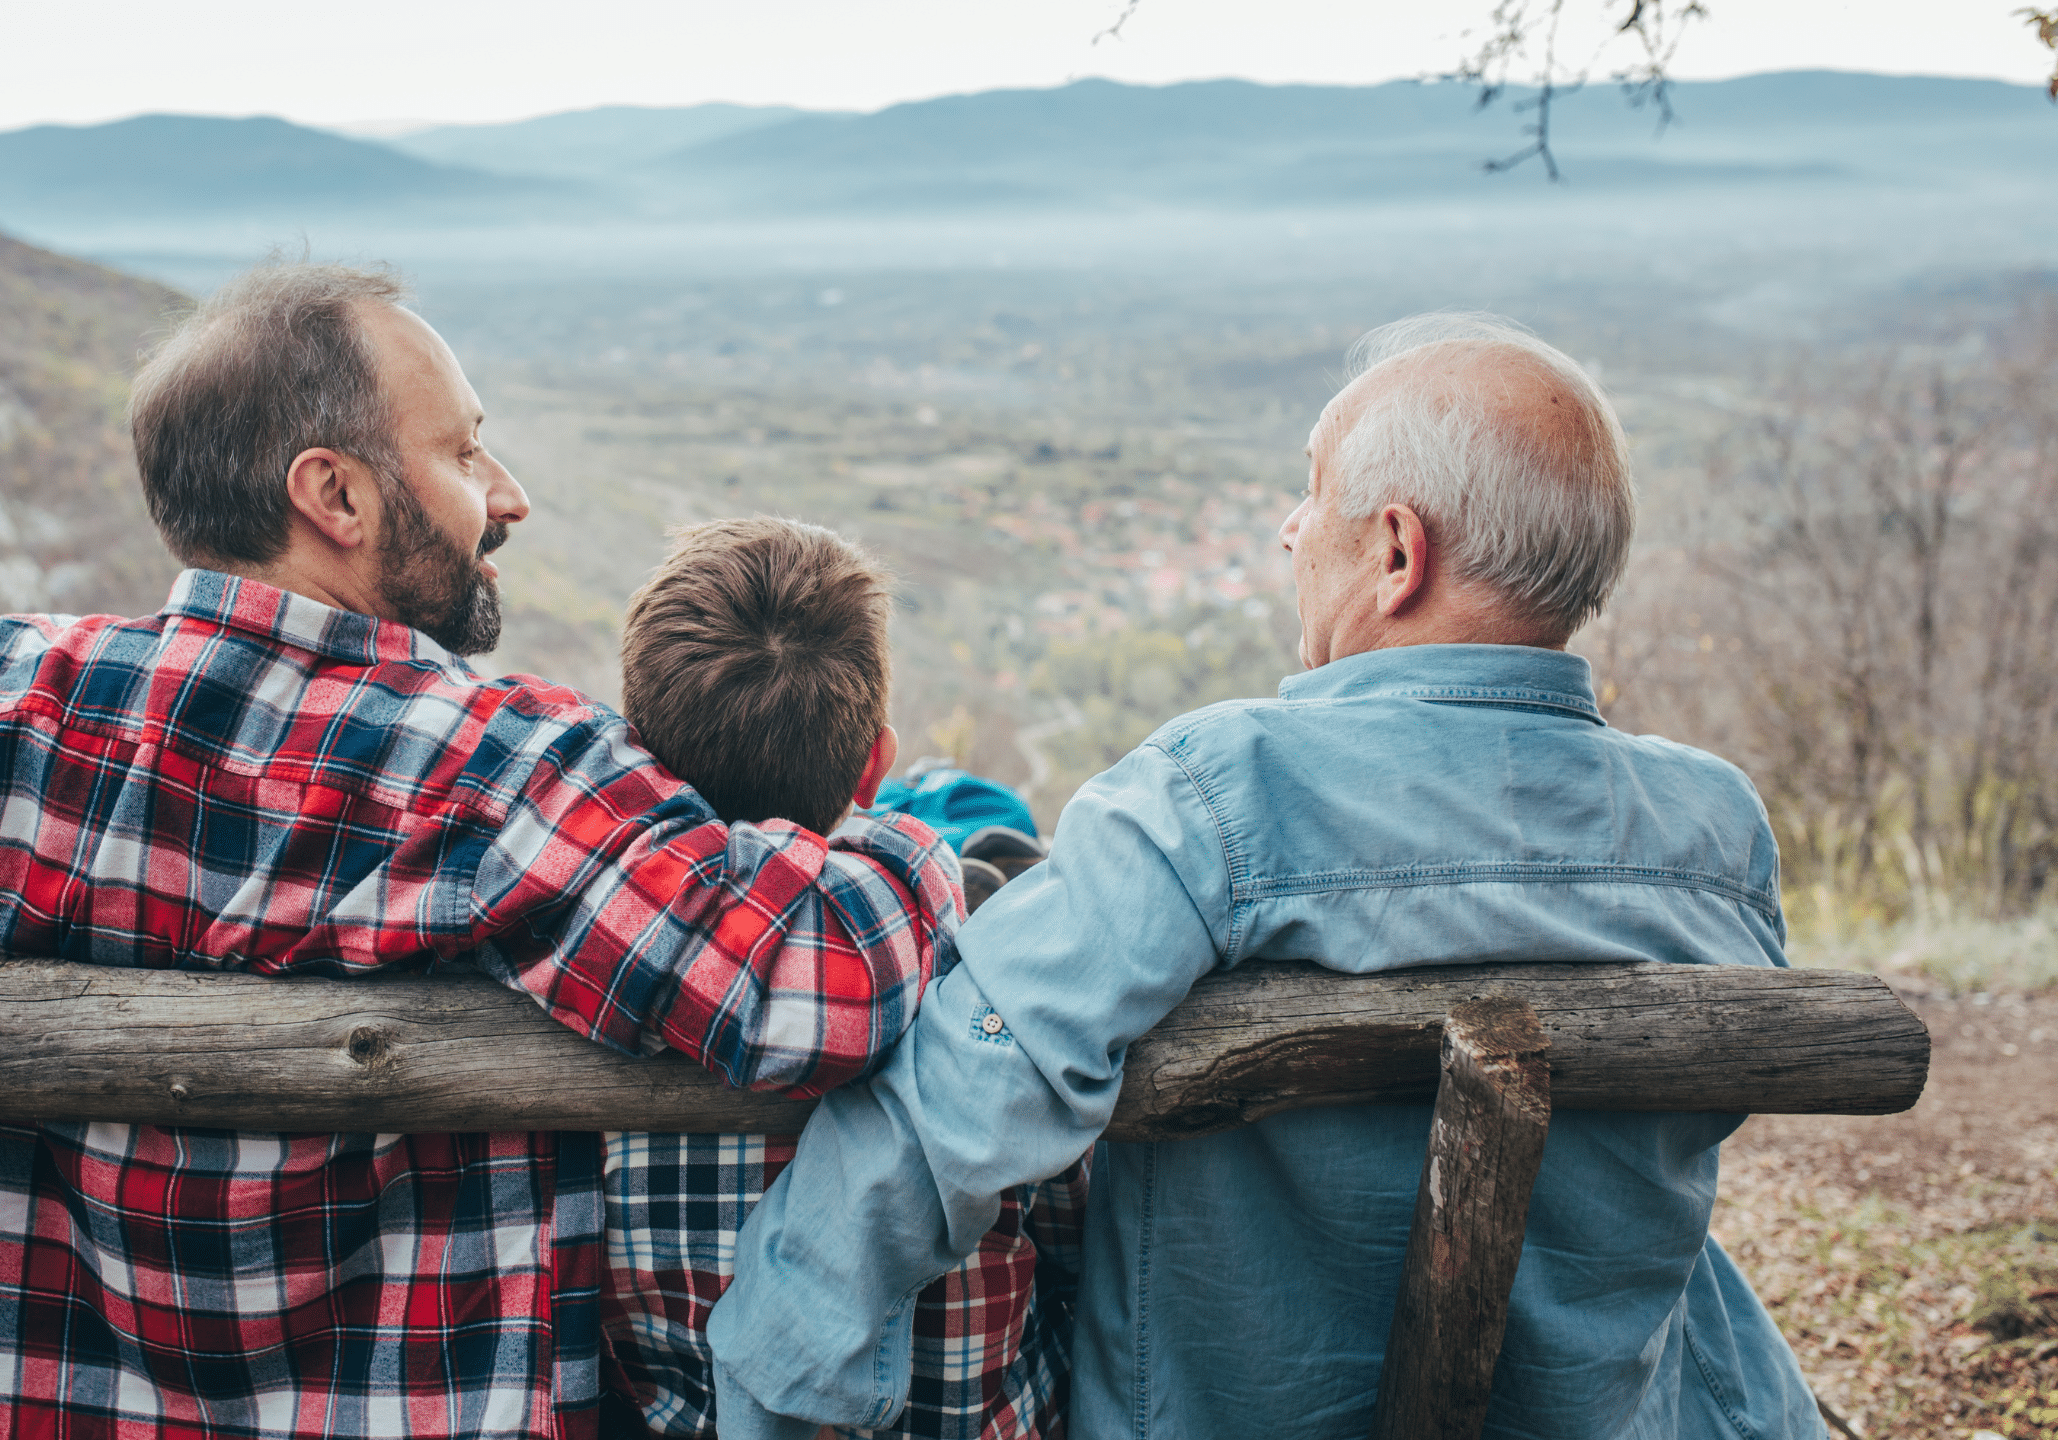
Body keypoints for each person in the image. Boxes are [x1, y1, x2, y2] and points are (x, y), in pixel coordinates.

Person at [0, 263, 962, 1440]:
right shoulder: (499, 769)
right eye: (465, 452)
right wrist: (920, 850)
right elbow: (821, 985)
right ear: (334, 497)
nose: (507, 495)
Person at [706, 313, 1829, 1440]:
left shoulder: (1218, 799)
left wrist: (772, 1382)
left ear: (1397, 552)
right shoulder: (1717, 833)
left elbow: (951, 1104)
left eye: (1313, 493)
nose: (1294, 531)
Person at [597, 516, 1076, 1440]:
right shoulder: (987, 974)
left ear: (639, 760)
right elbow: (1077, 1230)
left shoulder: (594, 986)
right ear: (874, 765)